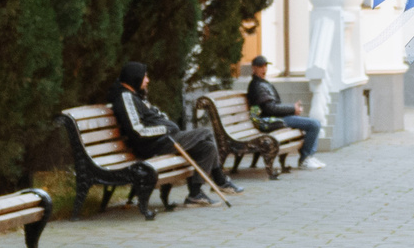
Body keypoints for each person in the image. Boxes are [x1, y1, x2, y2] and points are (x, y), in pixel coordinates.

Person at [111, 63, 238, 201]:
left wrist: (166, 124)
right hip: (155, 145)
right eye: (145, 77)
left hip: (164, 140)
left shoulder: (135, 96)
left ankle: (195, 195)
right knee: (205, 132)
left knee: (207, 147)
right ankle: (220, 180)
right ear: (134, 78)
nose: (148, 80)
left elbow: (156, 115)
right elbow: (137, 131)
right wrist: (166, 128)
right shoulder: (126, 98)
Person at [243, 56, 325, 169]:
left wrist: (292, 108)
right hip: (270, 120)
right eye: (261, 66)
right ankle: (305, 159)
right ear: (254, 68)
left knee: (314, 123)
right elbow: (270, 109)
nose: (264, 69)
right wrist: (292, 109)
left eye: (265, 66)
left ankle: (308, 156)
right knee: (314, 124)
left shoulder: (261, 83)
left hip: (275, 118)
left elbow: (272, 107)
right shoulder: (257, 86)